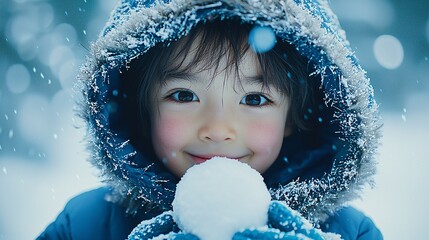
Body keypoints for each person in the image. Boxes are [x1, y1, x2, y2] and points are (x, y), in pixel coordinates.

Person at [38, 0, 383, 239]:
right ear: (141, 110)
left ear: (292, 118)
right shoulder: (87, 225)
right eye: (184, 96)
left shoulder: (346, 233)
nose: (218, 129)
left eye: (254, 99)